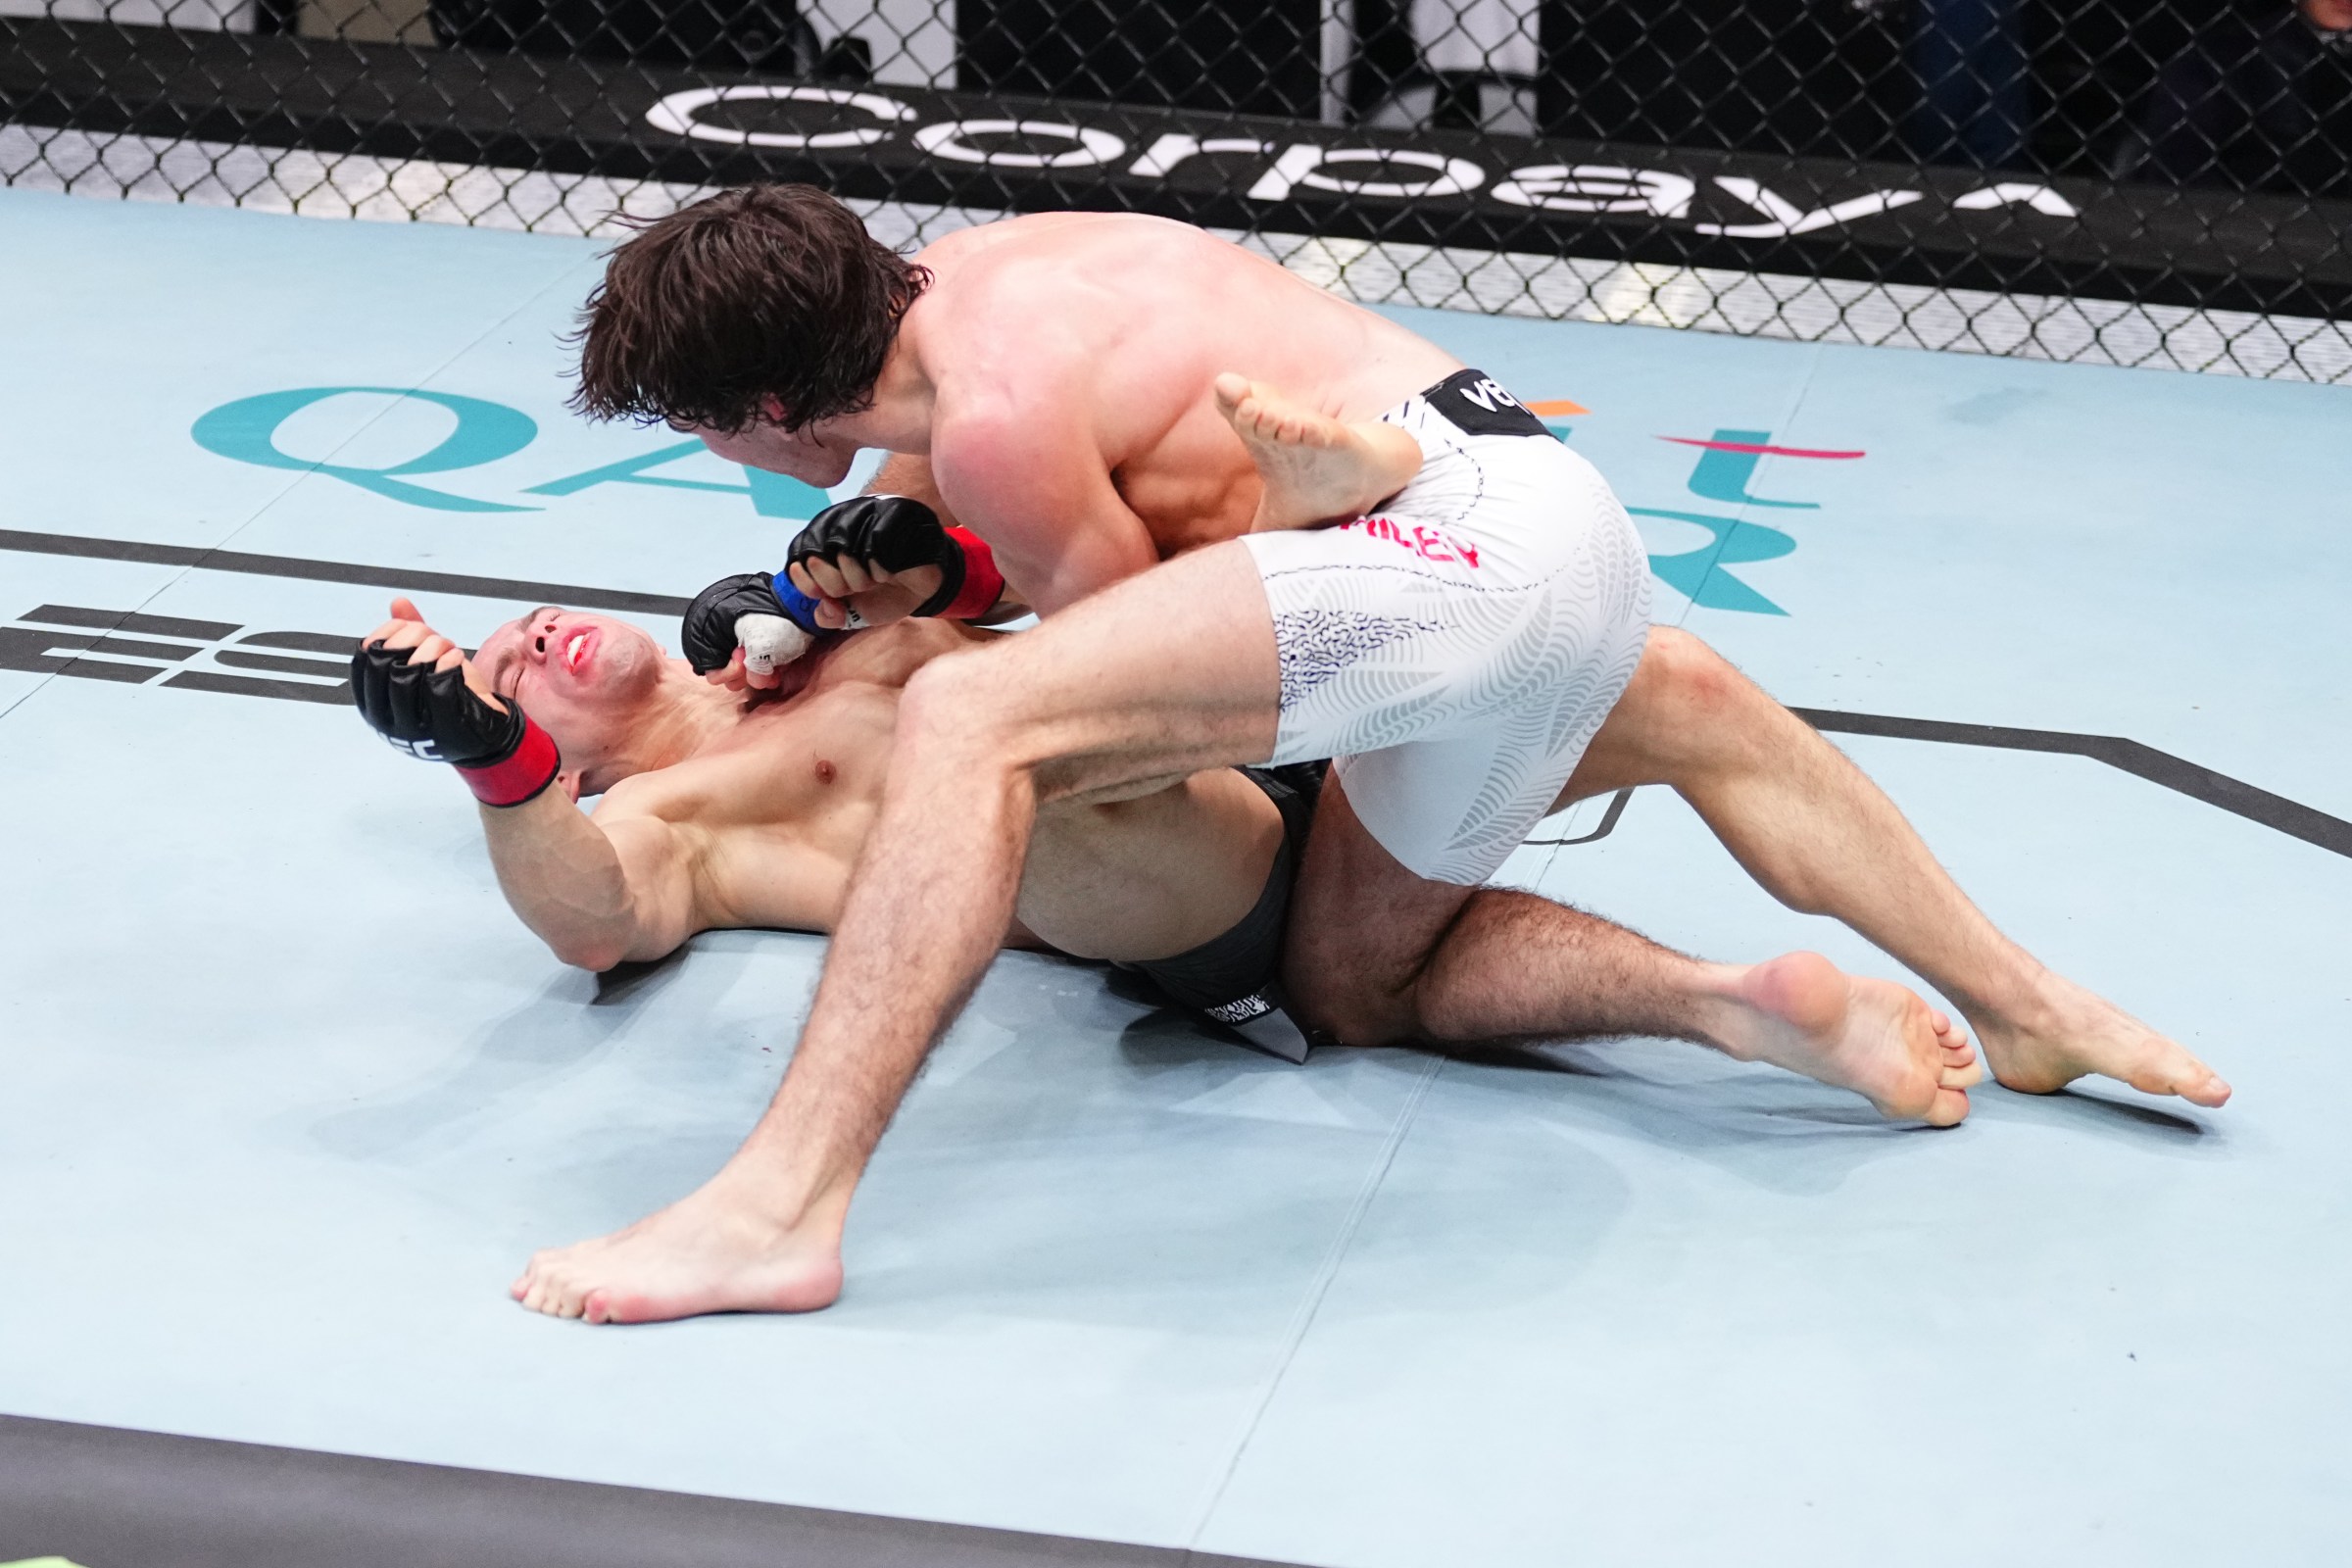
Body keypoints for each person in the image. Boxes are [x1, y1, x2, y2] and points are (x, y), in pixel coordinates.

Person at [508, 186, 2226, 1325]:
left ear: (760, 408)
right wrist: (905, 581)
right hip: (1563, 538)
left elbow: (1128, 728)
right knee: (1372, 951)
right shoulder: (999, 270)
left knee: (981, 721)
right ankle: (2022, 1006)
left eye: (699, 424)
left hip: (1428, 561)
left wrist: (930, 631)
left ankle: (780, 1203)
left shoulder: (1001, 431)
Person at [349, 596, 1321, 1057]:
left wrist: (823, 597)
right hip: (1195, 878)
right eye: (515, 676)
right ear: (560, 768)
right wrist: (492, 761)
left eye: (528, 624)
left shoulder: (780, 641)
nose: (535, 639)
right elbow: (598, 920)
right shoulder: (672, 812)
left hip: (1282, 733)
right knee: (973, 729)